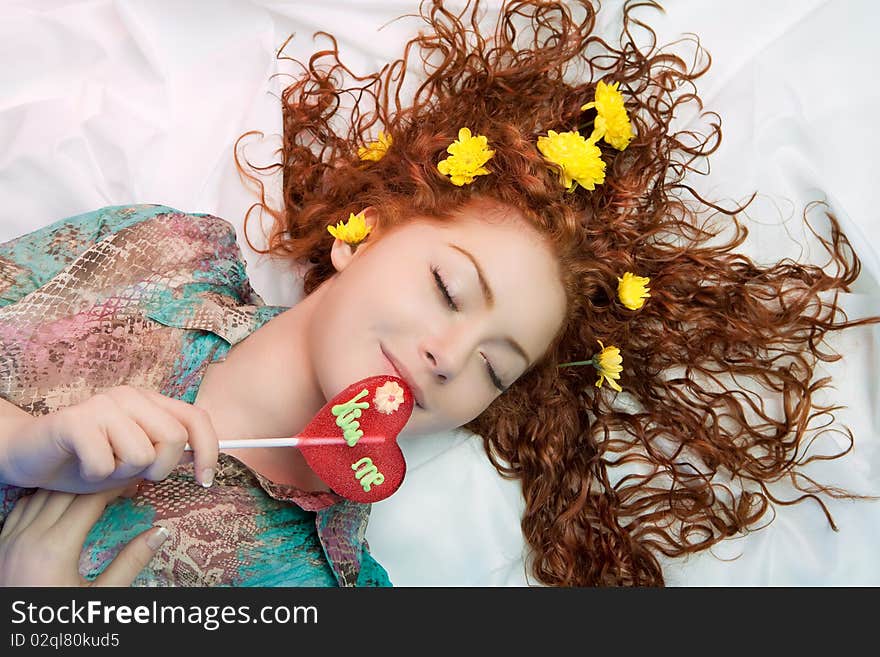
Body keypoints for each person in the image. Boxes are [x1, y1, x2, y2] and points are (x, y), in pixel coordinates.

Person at [1, 0, 878, 587]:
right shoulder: (158, 250)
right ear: (365, 229)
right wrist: (22, 447)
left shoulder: (324, 585)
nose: (450, 356)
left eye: (495, 369)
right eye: (449, 289)